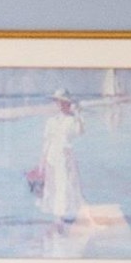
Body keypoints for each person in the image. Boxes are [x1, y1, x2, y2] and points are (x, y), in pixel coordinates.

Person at [41, 89, 87, 227]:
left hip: (65, 155)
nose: (60, 105)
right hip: (52, 155)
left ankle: (61, 215)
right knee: (53, 184)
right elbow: (47, 141)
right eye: (58, 102)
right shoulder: (51, 121)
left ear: (68, 104)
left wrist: (78, 113)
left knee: (65, 184)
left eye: (63, 102)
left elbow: (80, 132)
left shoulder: (72, 120)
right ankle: (58, 215)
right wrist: (42, 160)